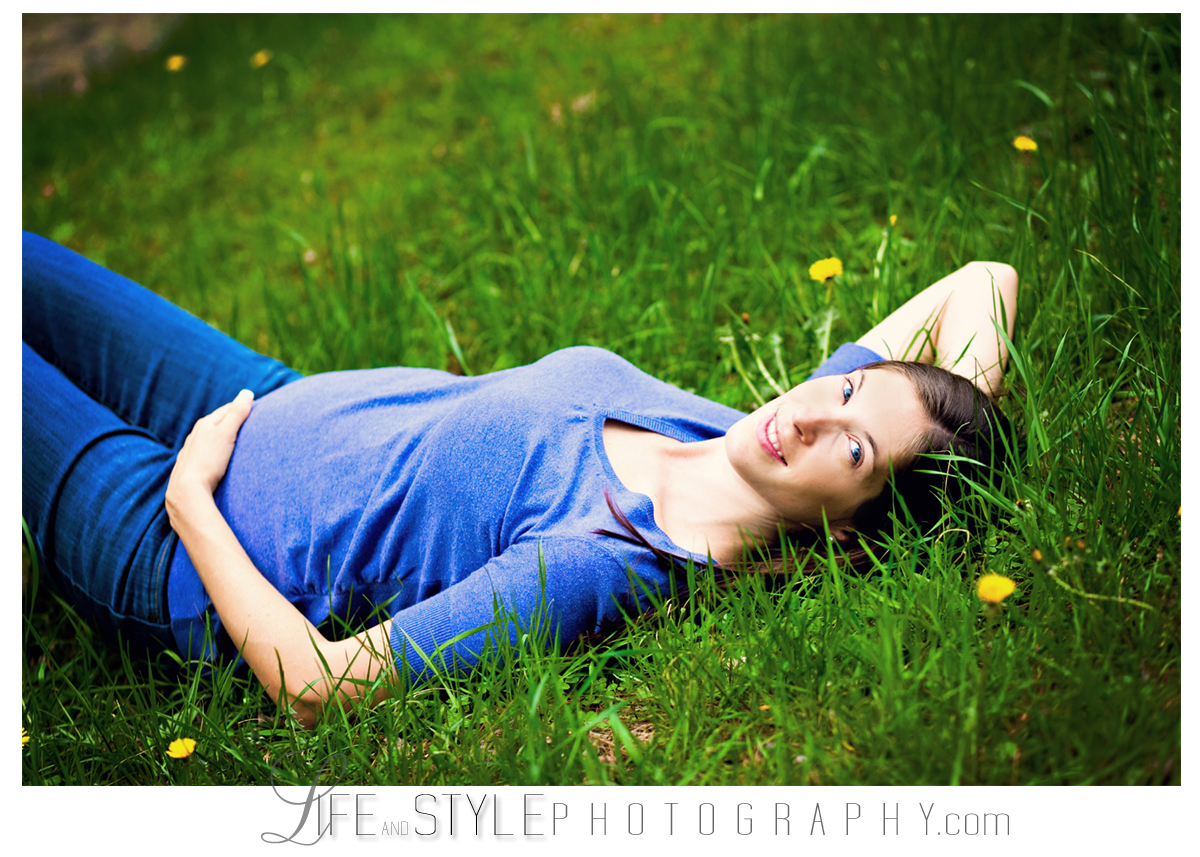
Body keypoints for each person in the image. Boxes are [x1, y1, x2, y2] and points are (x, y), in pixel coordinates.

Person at [22, 231, 1017, 728]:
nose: (809, 413)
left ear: (846, 535)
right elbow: (984, 282)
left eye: (853, 449)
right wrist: (945, 417)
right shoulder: (745, 431)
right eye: (844, 385)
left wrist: (190, 499)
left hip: (175, 544)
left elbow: (329, 686)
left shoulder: (600, 558)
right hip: (257, 394)